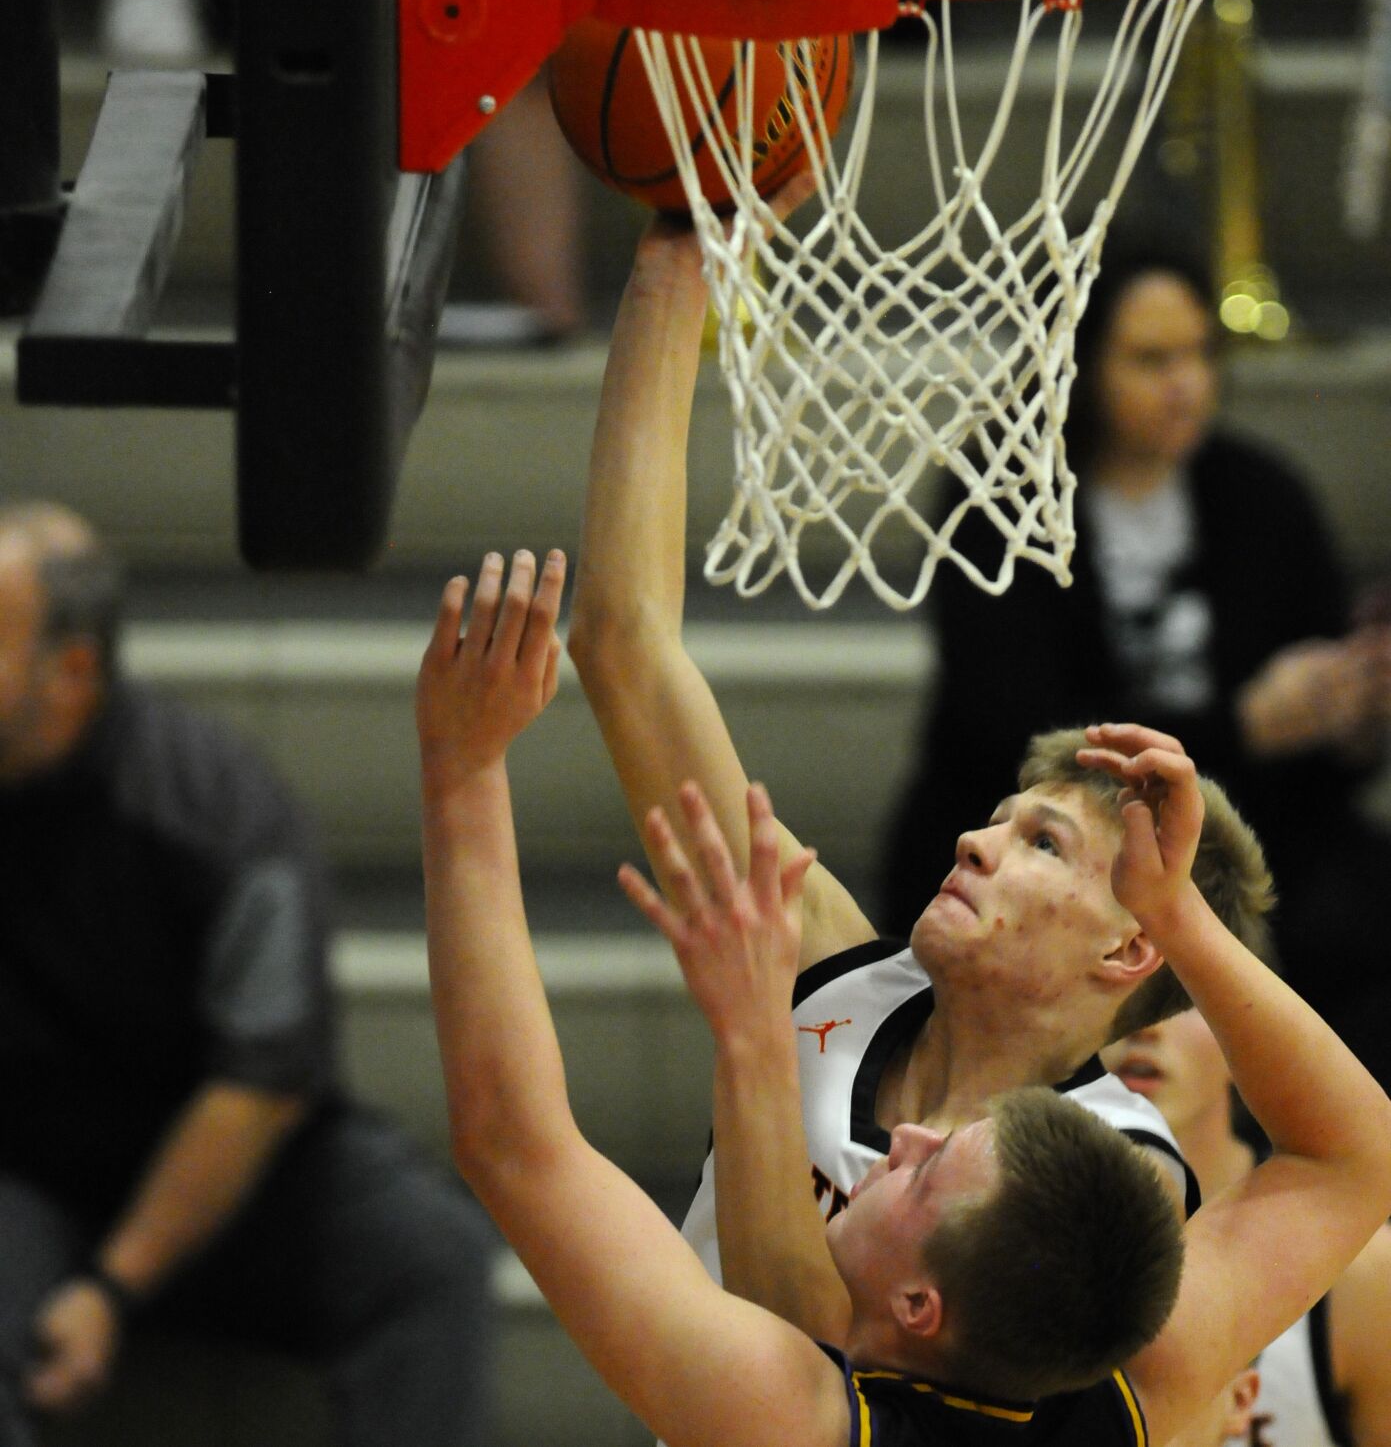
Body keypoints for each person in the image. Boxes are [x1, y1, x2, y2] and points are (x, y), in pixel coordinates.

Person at [417, 546, 1391, 1447]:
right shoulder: (1128, 1385)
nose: (908, 1140)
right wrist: (1175, 912)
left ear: (922, 1307)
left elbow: (519, 1140)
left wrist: (463, 772)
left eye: (927, 1169)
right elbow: (1348, 1153)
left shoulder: (784, 1407)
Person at [564, 197, 1279, 1340]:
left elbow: (814, 1363)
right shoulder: (832, 969)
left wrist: (751, 1046)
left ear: (1131, 942)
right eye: (1003, 817)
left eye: (1039, 843)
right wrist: (672, 259)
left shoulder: (1114, 1175)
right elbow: (621, 646)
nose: (971, 839)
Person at [0, 503, 495, 1447]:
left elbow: (258, 1087)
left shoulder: (211, 812)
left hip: (228, 1173)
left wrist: (111, 1287)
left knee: (430, 1256)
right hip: (22, 1174)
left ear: (68, 673)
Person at [880, 239, 1391, 1095]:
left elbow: (1322, 755)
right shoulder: (1001, 500)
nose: (1185, 383)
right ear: (1078, 365)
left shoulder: (1260, 493)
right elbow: (1010, 725)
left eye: (1198, 354)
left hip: (1241, 830)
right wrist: (1243, 725)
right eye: (1151, 359)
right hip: (1050, 826)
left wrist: (1355, 712)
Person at [1105, 1008, 1391, 1446]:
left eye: (1177, 999)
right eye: (1121, 994)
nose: (1144, 1025)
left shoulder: (1363, 1269)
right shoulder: (1019, 1227)